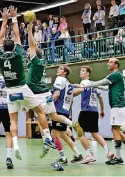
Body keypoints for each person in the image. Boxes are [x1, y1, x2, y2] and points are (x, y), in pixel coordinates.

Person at [0, 6, 56, 160]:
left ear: (2, 47)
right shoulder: (17, 53)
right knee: (41, 111)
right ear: (14, 46)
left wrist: (5, 20)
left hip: (10, 91)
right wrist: (14, 17)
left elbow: (2, 36)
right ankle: (48, 138)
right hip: (23, 88)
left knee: (13, 120)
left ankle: (15, 145)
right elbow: (16, 34)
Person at [26, 22, 83, 160]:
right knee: (57, 124)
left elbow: (33, 46)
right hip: (55, 102)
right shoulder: (43, 64)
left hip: (48, 101)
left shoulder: (58, 78)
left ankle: (53, 148)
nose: (29, 52)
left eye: (60, 69)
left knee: (45, 123)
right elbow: (35, 47)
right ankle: (74, 145)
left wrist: (29, 30)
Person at [77, 58, 125, 165]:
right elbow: (105, 87)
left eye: (110, 62)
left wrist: (86, 85)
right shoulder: (114, 77)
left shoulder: (115, 75)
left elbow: (102, 82)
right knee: (115, 129)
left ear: (116, 65)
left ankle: (118, 157)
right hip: (117, 106)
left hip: (118, 105)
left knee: (115, 129)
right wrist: (92, 84)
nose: (108, 63)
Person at [74, 66, 114, 164]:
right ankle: (108, 152)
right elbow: (100, 98)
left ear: (87, 74)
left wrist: (71, 94)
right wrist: (102, 110)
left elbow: (79, 90)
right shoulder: (94, 84)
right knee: (95, 133)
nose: (80, 72)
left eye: (83, 71)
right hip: (94, 111)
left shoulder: (84, 82)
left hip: (85, 111)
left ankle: (90, 155)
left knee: (80, 133)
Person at [50, 65, 83, 164]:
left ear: (65, 73)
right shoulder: (69, 84)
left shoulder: (59, 79)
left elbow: (56, 95)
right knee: (64, 135)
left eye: (60, 68)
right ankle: (77, 154)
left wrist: (48, 104)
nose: (58, 69)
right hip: (66, 110)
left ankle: (63, 157)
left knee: (54, 134)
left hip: (58, 110)